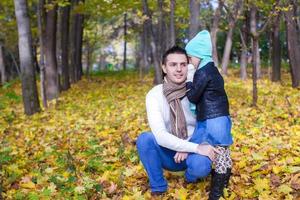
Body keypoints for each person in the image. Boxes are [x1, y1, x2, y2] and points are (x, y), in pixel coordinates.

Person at [136, 46, 218, 196]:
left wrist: (192, 148)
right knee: (144, 139)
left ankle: (190, 177)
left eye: (183, 64)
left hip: (194, 150)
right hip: (169, 153)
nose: (179, 69)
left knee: (201, 166)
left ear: (188, 66)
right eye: (173, 65)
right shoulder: (154, 95)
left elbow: (206, 124)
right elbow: (160, 135)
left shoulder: (197, 90)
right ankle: (158, 187)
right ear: (164, 68)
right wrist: (188, 147)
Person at [185, 30, 233, 200]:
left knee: (219, 153)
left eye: (190, 57)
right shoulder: (213, 70)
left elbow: (193, 96)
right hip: (221, 116)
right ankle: (224, 181)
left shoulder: (203, 72)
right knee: (223, 151)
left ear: (199, 55)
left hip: (213, 119)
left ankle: (216, 191)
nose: (190, 61)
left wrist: (189, 82)